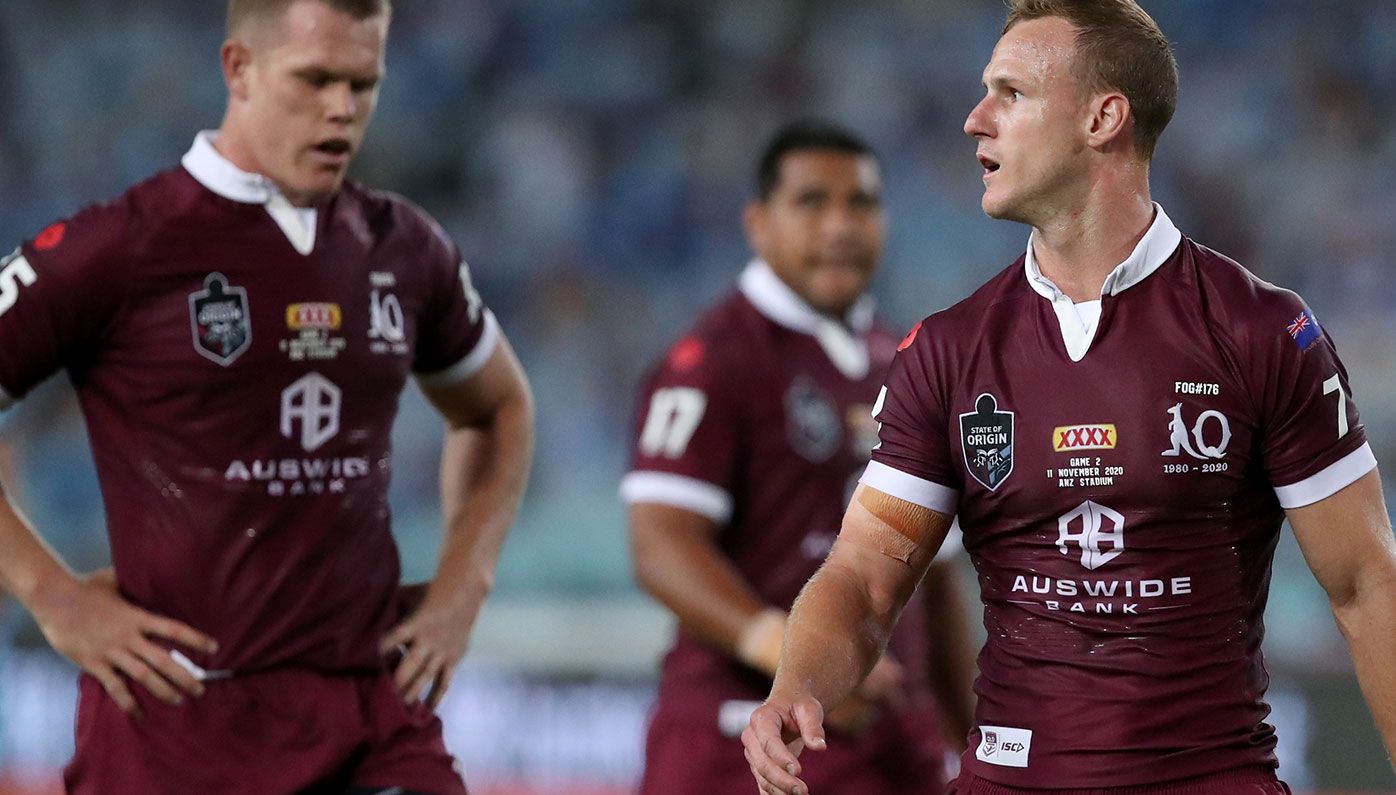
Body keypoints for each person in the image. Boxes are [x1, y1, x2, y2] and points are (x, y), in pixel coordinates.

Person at [743, 2, 1396, 794]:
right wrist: (797, 685)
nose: (974, 120)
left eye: (1010, 93)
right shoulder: (948, 350)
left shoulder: (1264, 330)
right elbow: (864, 574)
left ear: (1103, 117)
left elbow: (1366, 583)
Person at [0, 1, 534, 792]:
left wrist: (465, 581)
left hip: (367, 711)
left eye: (364, 83)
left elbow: (498, 407)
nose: (341, 110)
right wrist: (52, 595)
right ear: (238, 69)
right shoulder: (119, 246)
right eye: (315, 79)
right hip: (176, 722)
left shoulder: (406, 247)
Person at [622, 123, 976, 794]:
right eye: (813, 202)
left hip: (890, 740)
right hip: (742, 745)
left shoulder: (905, 359)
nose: (840, 226)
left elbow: (934, 574)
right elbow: (661, 544)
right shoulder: (712, 362)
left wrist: (974, 735)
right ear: (758, 223)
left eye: (861, 204)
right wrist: (804, 664)